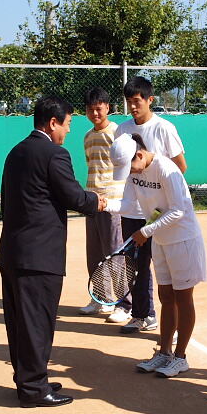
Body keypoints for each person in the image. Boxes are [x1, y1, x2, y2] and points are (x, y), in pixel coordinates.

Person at [0, 96, 103, 408]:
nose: (68, 131)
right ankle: (33, 390)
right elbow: (72, 196)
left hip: (14, 252)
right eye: (67, 124)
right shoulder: (55, 153)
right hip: (39, 256)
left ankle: (29, 379)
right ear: (52, 122)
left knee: (20, 322)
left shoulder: (16, 152)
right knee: (37, 323)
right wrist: (97, 201)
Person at [104, 133, 206, 377]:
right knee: (166, 297)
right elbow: (130, 205)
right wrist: (104, 204)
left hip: (182, 240)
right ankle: (164, 352)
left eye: (131, 167)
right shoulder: (134, 171)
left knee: (183, 299)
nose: (131, 173)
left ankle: (180, 358)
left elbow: (179, 210)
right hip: (160, 241)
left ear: (139, 155)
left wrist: (145, 231)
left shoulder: (166, 168)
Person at [114, 76, 187, 334]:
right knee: (136, 265)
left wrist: (157, 210)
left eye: (137, 101)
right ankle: (142, 315)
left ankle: (173, 326)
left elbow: (181, 167)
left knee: (165, 267)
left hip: (161, 214)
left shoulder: (164, 128)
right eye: (129, 102)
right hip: (133, 209)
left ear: (150, 100)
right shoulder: (121, 130)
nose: (133, 107)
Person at [78, 87, 132, 324]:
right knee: (95, 253)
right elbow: (92, 167)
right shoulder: (88, 136)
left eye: (98, 108)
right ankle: (100, 299)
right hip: (92, 202)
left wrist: (116, 201)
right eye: (90, 109)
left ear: (108, 108)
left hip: (113, 203)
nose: (94, 113)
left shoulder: (117, 133)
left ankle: (124, 305)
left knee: (115, 254)